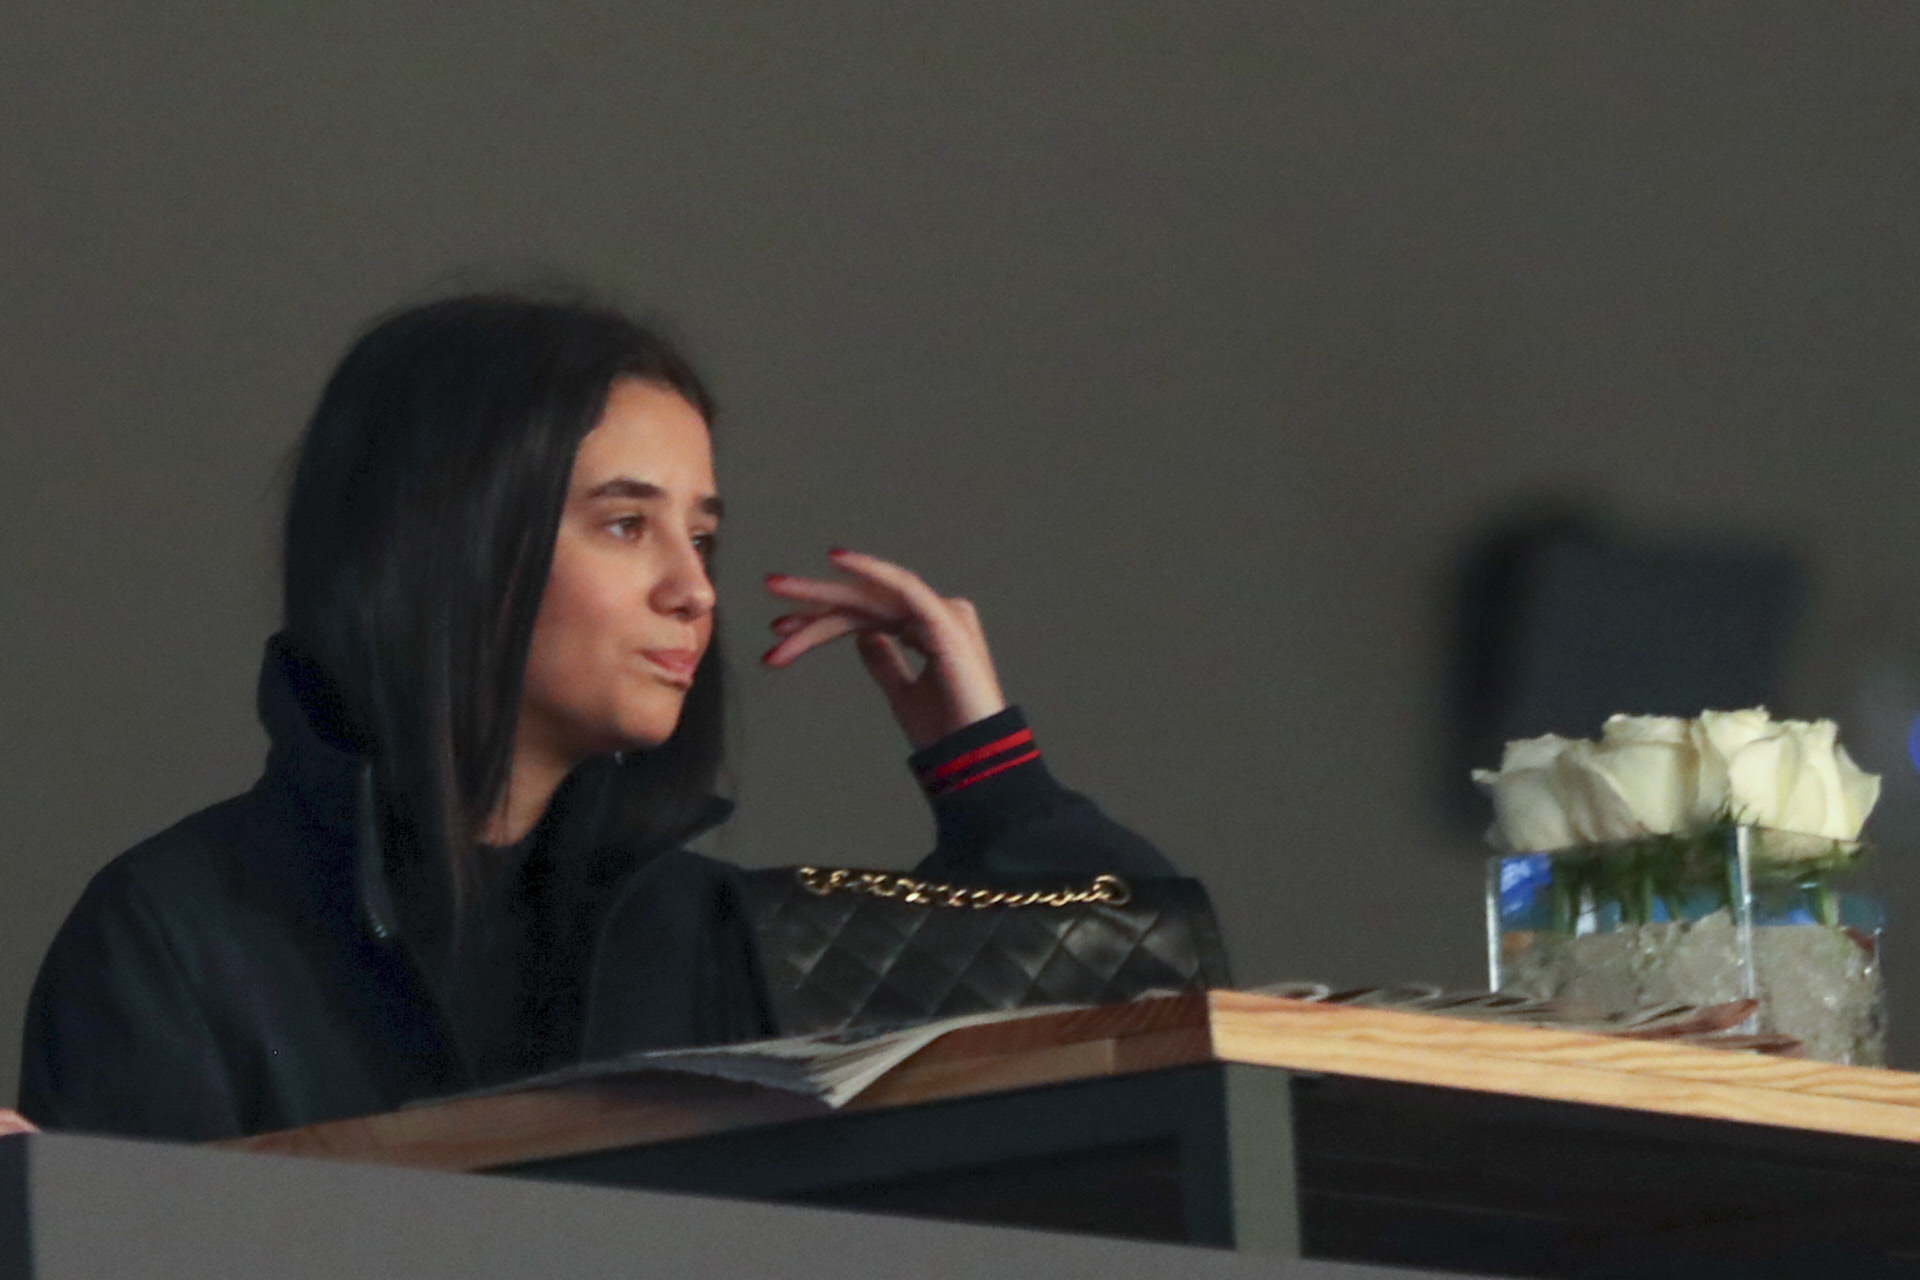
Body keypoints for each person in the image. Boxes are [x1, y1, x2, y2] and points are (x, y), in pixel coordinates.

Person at [16, 294, 1177, 1142]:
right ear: (449, 542)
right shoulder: (174, 935)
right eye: (627, 523)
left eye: (702, 535)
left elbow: (1161, 1011)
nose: (696, 588)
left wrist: (989, 769)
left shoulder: (715, 933)